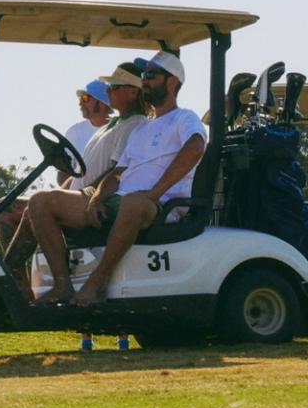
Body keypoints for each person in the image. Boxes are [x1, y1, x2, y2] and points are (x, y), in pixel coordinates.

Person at [30, 51, 206, 307]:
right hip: (123, 199)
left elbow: (195, 147)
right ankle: (62, 285)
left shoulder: (184, 118)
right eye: (143, 75)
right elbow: (117, 172)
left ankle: (97, 283)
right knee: (40, 201)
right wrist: (97, 197)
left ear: (172, 82)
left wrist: (154, 194)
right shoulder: (143, 127)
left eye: (151, 75)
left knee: (133, 203)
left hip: (158, 204)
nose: (144, 81)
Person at [15, 67, 149, 297]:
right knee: (9, 210)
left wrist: (91, 193)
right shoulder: (113, 124)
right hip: (83, 193)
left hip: (95, 198)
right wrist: (64, 190)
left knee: (39, 202)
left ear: (132, 93)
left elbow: (116, 170)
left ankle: (62, 286)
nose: (109, 91)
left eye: (114, 87)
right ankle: (14, 283)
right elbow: (82, 172)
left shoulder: (134, 125)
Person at [59, 81, 114, 188]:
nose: (80, 104)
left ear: (102, 103)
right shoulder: (74, 132)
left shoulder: (118, 130)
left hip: (102, 193)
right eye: (80, 99)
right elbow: (62, 173)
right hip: (74, 193)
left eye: (85, 98)